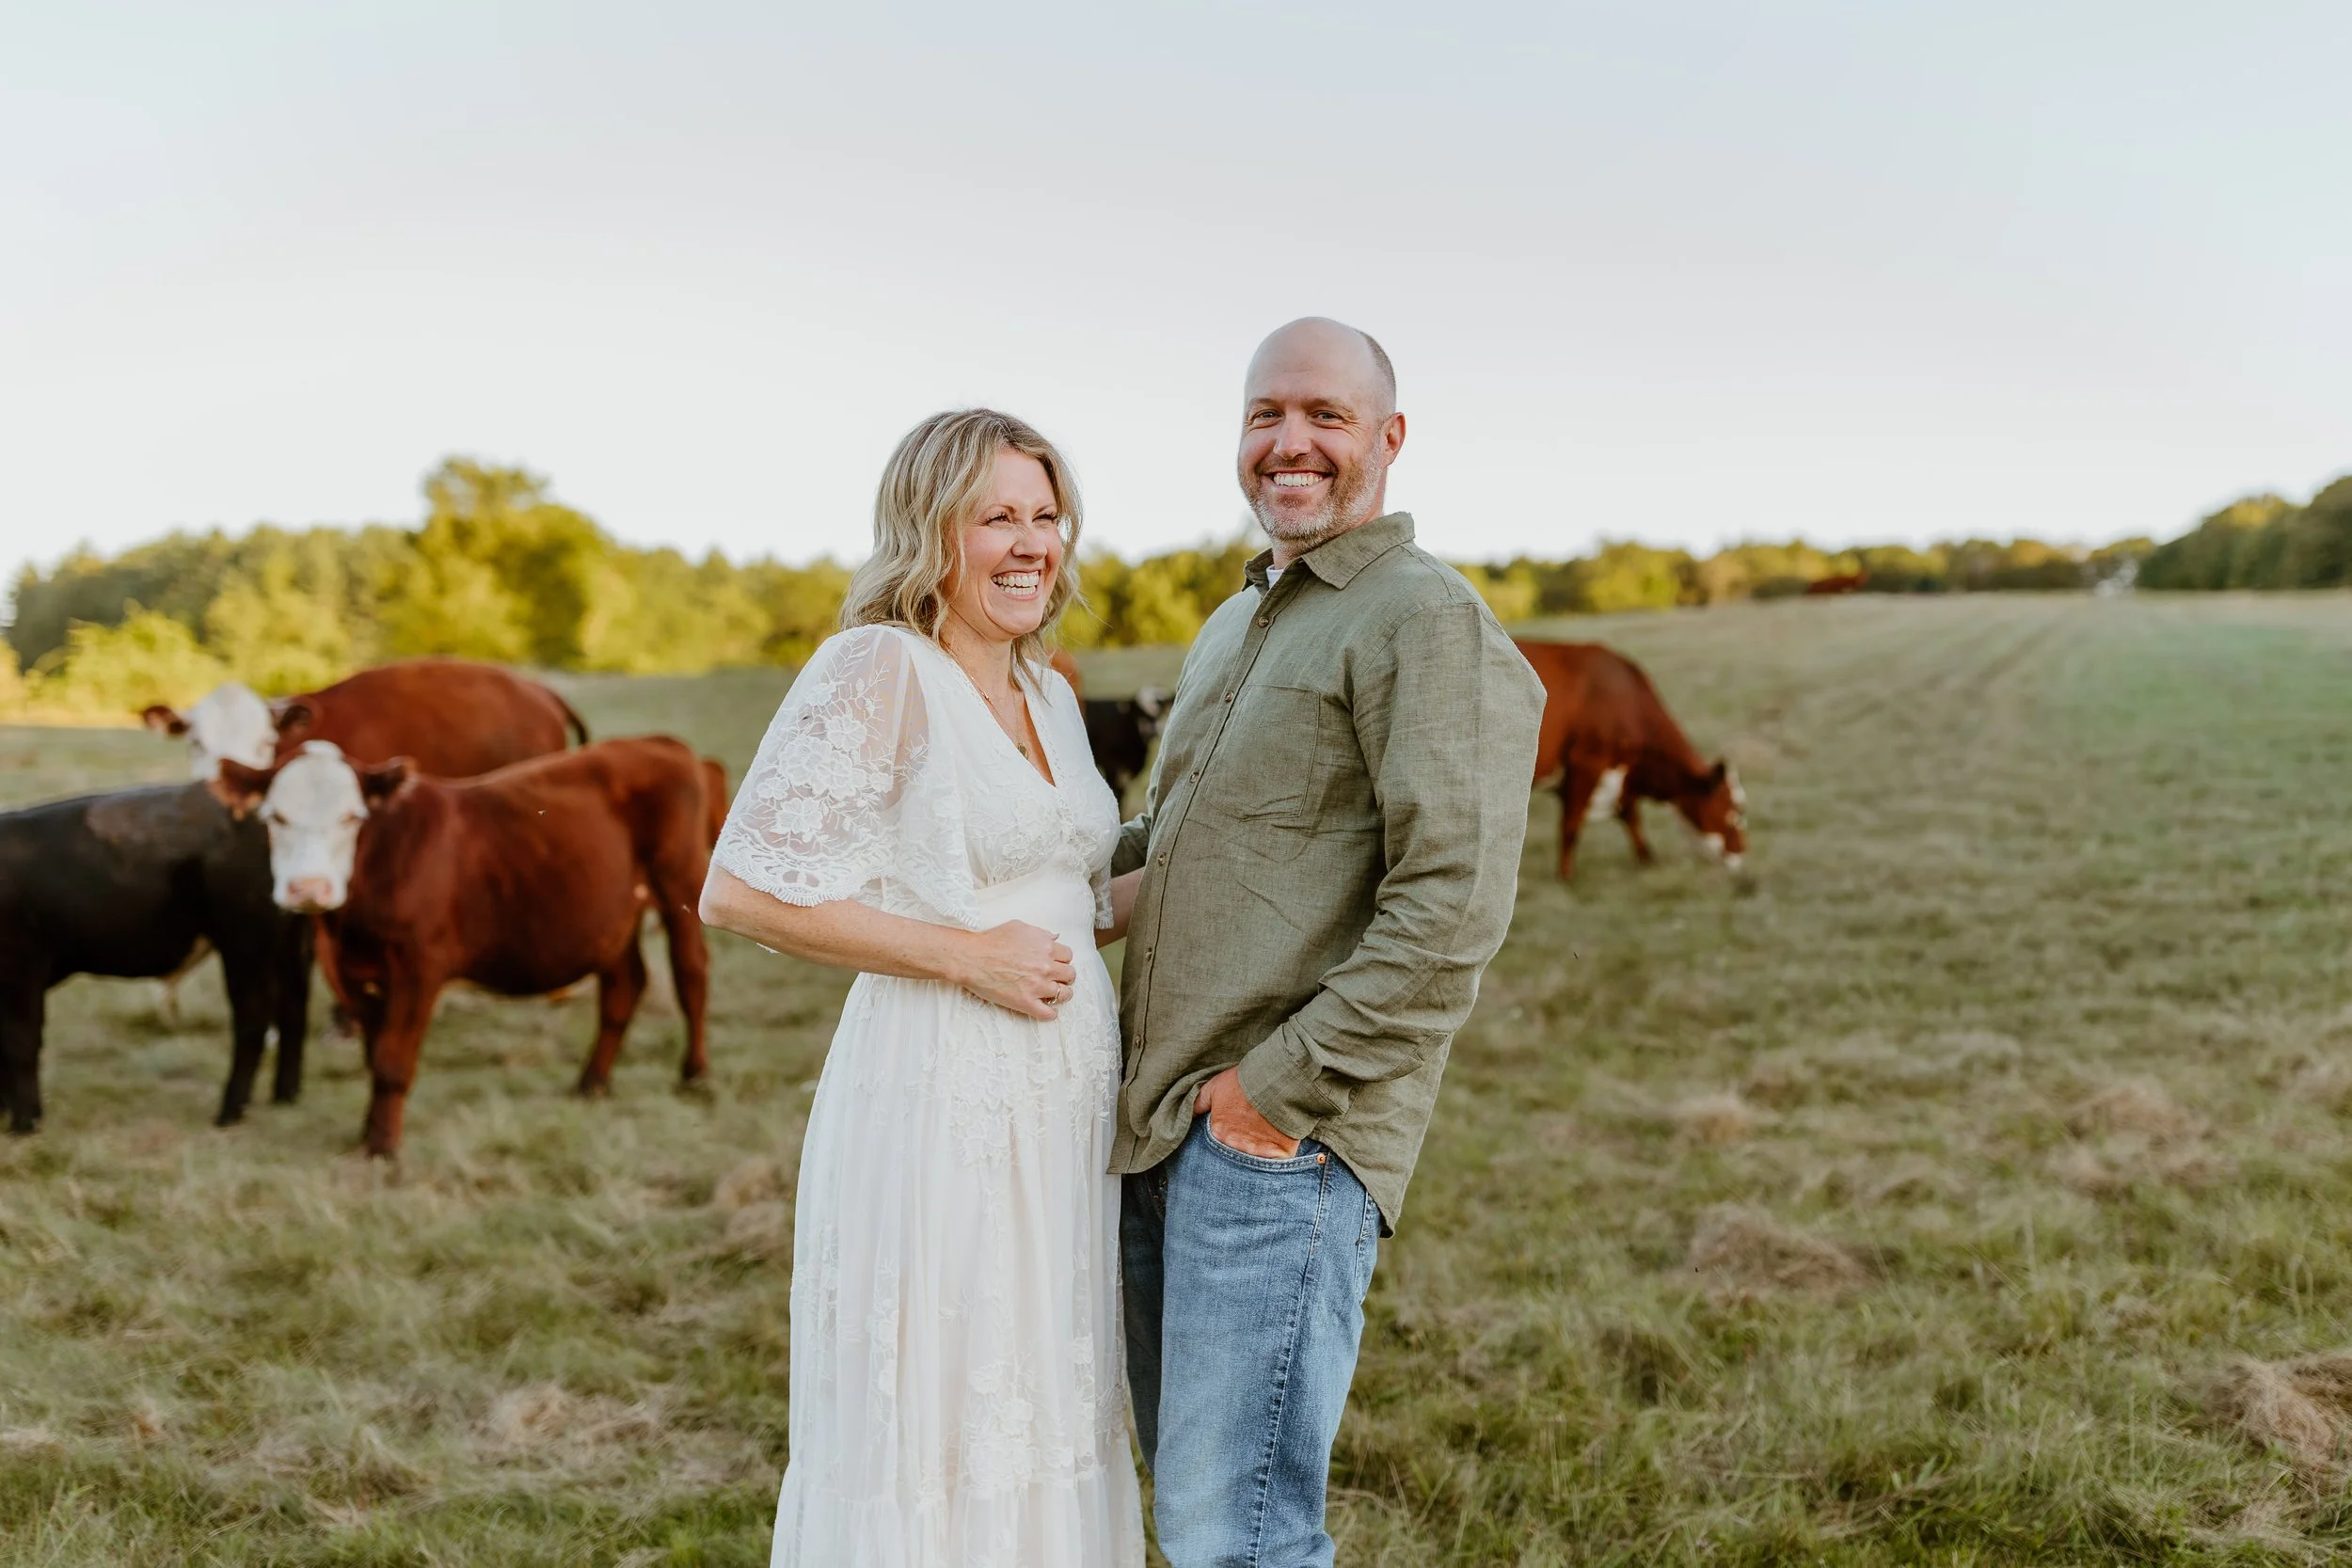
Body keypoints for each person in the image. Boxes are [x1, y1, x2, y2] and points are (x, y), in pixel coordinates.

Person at [1114, 318, 1545, 1567]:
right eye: (1265, 415)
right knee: (1193, 1515)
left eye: (1325, 415)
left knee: (1236, 1536)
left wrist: (1271, 1094)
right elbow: (1168, 838)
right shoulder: (1236, 622)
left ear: (1388, 439)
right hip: (1161, 1119)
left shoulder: (1423, 618)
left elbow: (1452, 899)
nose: (1289, 441)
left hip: (1276, 1143)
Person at [699, 409, 1146, 1567]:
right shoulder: (883, 665)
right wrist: (964, 956)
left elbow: (1057, 904)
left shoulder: (1046, 688)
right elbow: (741, 890)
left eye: (1046, 516)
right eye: (996, 515)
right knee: (943, 1414)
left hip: (1061, 1108)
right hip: (942, 1088)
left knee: (1043, 1389)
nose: (1030, 543)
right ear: (927, 531)